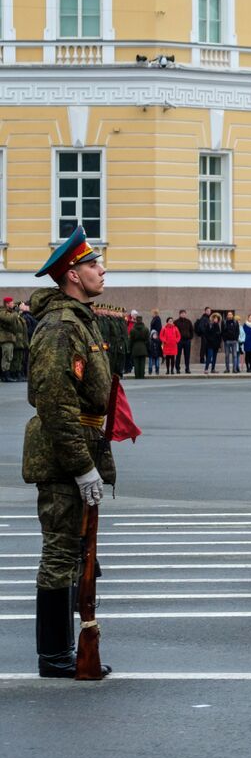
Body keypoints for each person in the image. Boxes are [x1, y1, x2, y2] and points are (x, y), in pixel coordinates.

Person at [23, 226, 114, 678]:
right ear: (73, 275)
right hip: (64, 455)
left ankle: (64, 650)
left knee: (76, 551)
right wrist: (82, 468)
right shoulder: (61, 327)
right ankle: (55, 654)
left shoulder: (81, 320)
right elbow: (56, 404)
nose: (102, 269)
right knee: (60, 552)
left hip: (81, 448)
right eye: (93, 264)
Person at [128, 312, 149, 380]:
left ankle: (137, 375)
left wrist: (130, 348)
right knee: (142, 362)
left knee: (136, 363)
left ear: (136, 320)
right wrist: (147, 348)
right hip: (143, 346)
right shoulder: (145, 329)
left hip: (135, 347)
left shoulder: (133, 329)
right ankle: (142, 375)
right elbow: (148, 339)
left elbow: (131, 340)